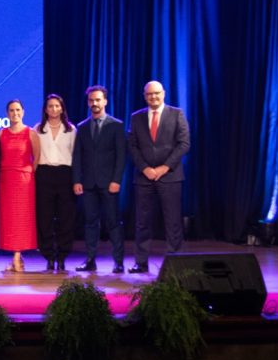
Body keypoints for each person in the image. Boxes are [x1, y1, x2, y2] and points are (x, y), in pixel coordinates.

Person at [127, 80, 191, 273]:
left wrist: (164, 167)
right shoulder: (136, 117)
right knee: (142, 222)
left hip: (170, 176)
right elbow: (133, 146)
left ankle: (176, 263)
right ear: (144, 96)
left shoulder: (176, 114)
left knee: (172, 222)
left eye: (156, 93)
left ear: (164, 93)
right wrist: (145, 167)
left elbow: (184, 144)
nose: (153, 97)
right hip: (144, 177)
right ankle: (141, 262)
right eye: (149, 94)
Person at [71, 85, 126, 274]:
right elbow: (77, 156)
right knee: (90, 223)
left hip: (109, 183)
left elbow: (121, 156)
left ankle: (118, 262)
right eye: (91, 100)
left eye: (98, 100)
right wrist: (77, 180)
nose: (94, 103)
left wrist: (116, 180)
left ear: (105, 101)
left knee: (113, 222)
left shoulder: (116, 125)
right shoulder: (82, 127)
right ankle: (90, 260)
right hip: (88, 184)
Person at [0, 99, 40, 272]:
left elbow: (36, 158)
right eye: (12, 111)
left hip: (24, 181)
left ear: (23, 112)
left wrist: (27, 173)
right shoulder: (1, 134)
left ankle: (16, 258)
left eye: (18, 110)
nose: (15, 113)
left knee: (22, 220)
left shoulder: (31, 133)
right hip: (6, 180)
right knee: (9, 220)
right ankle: (17, 257)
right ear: (7, 114)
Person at [35, 94, 77, 272]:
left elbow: (76, 156)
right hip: (44, 174)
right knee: (44, 218)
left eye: (57, 106)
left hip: (65, 175)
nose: (53, 109)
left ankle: (62, 256)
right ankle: (48, 256)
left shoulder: (71, 130)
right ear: (45, 109)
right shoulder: (37, 129)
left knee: (65, 219)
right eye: (50, 106)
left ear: (62, 108)